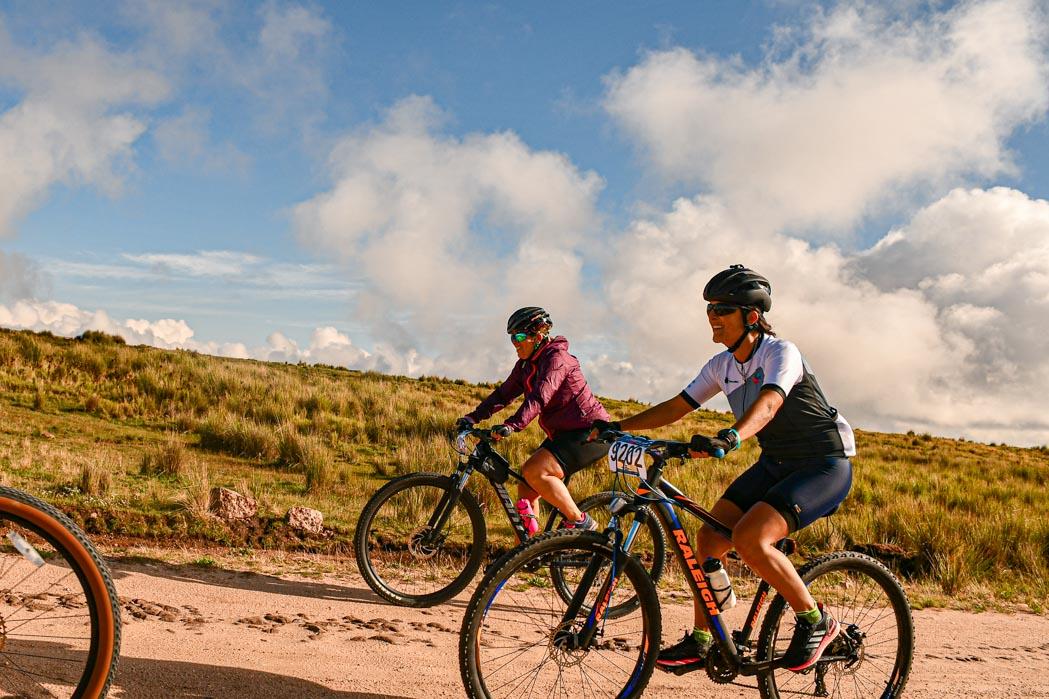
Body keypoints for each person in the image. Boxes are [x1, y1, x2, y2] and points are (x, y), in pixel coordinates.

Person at [592, 265, 855, 674]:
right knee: (710, 538)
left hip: (823, 464)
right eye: (709, 309)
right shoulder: (722, 365)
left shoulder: (780, 353)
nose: (712, 316)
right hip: (776, 463)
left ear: (752, 316)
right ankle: (703, 641)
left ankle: (816, 620)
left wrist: (731, 437)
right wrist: (619, 427)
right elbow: (678, 406)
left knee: (751, 539)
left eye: (722, 309)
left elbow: (770, 402)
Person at [456, 306, 611, 534]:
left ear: (538, 336)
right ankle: (527, 549)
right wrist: (473, 417)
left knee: (535, 471)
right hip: (563, 434)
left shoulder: (557, 359)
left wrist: (512, 425)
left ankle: (580, 521)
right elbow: (503, 395)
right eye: (512, 338)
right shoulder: (526, 365)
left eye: (519, 337)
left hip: (591, 431)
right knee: (526, 489)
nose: (515, 343)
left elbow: (540, 396)